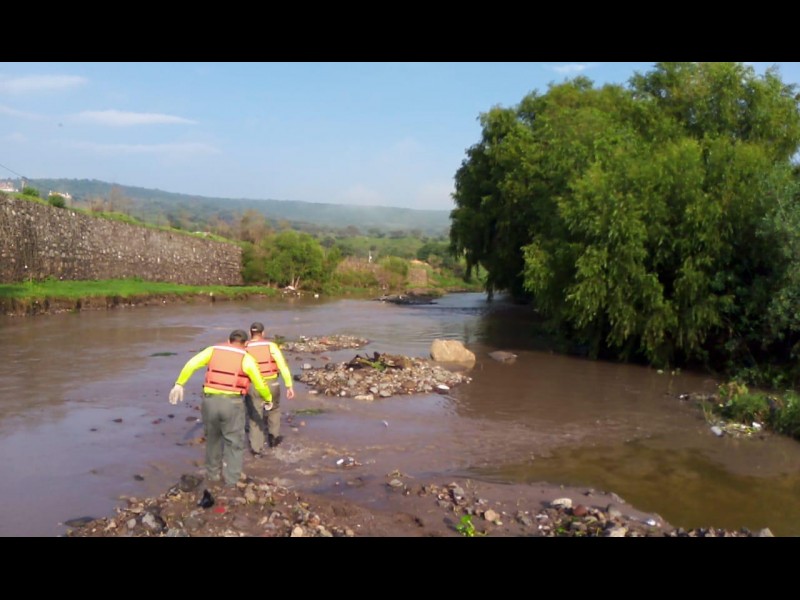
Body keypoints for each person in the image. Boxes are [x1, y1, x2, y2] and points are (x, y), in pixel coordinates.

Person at [168, 329, 273, 488]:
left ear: (228, 340)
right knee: (234, 442)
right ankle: (231, 481)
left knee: (212, 439)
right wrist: (268, 398)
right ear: (245, 344)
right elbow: (260, 383)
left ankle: (213, 476)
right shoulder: (247, 358)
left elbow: (191, 364)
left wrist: (179, 384)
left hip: (210, 401)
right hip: (233, 403)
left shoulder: (212, 350)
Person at [244, 321, 295, 453]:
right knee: (274, 410)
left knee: (254, 416)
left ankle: (256, 449)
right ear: (263, 333)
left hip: (253, 385)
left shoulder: (245, 347)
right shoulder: (271, 346)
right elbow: (282, 366)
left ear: (250, 333)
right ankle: (273, 439)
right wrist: (289, 386)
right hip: (272, 383)